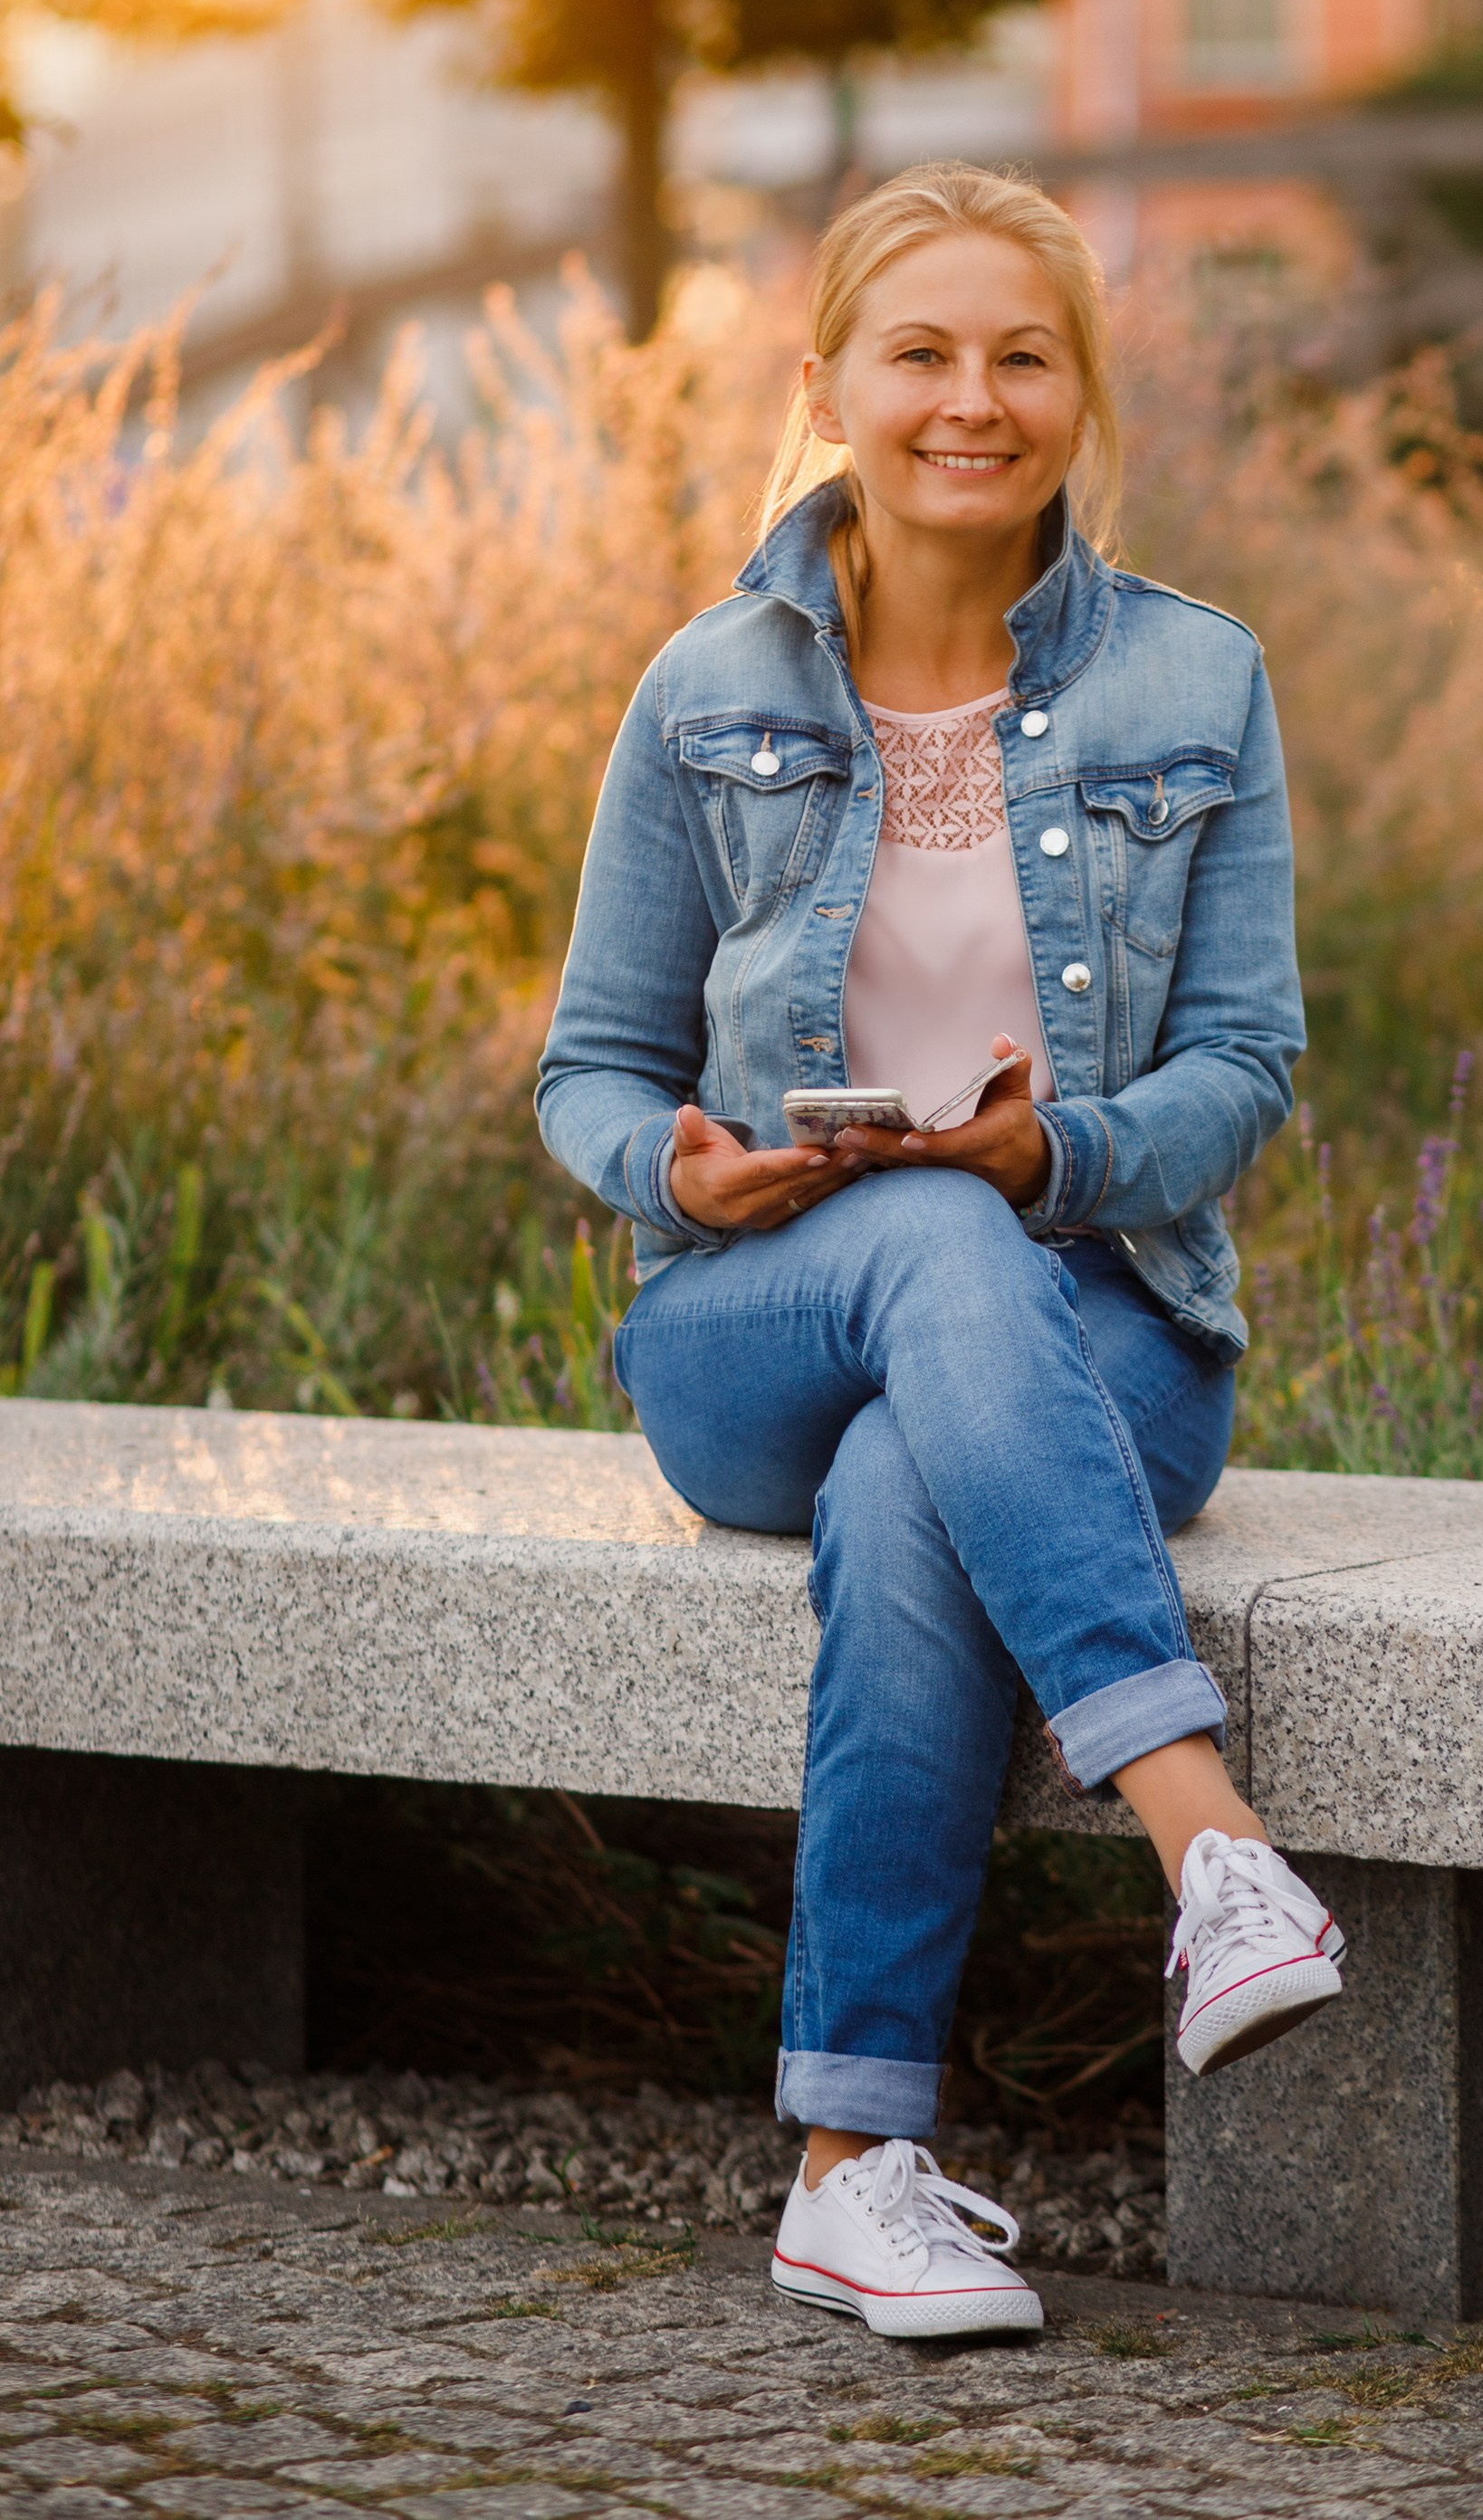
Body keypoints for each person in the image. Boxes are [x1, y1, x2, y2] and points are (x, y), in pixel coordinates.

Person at [537, 162, 1344, 2343]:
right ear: (829, 387)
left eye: (1022, 353)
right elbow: (587, 1073)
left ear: (1079, 392)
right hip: (751, 1333)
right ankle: (1209, 1838)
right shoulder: (705, 690)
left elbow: (1246, 1068)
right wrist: (678, 1174)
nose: (970, 399)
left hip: (1104, 1338)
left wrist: (1054, 1149)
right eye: (921, 352)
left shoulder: (1198, 679)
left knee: (923, 1448)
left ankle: (849, 2163)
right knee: (907, 1241)